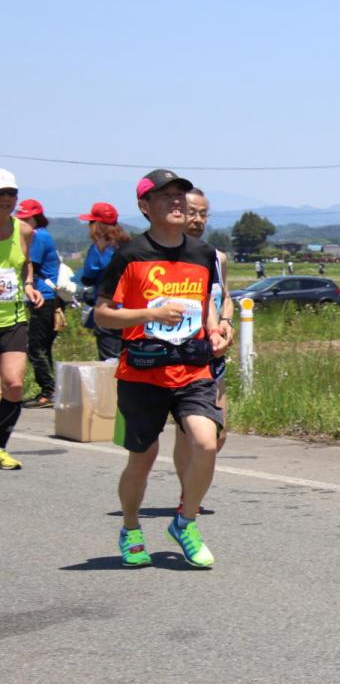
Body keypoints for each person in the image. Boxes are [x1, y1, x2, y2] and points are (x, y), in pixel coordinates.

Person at [94, 169, 230, 568]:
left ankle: (185, 522)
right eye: (165, 195)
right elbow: (102, 313)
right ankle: (131, 527)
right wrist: (150, 312)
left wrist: (218, 328)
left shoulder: (203, 255)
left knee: (206, 443)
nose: (177, 201)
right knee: (143, 458)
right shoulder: (131, 255)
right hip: (142, 372)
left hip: (192, 368)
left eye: (180, 195)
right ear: (144, 206)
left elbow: (209, 304)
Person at [171, 189, 233, 516]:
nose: (197, 220)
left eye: (203, 214)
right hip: (181, 356)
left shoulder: (217, 257)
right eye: (191, 212)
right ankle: (187, 499)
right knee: (190, 435)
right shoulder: (167, 259)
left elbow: (226, 298)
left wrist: (226, 323)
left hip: (214, 354)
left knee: (217, 432)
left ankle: (189, 493)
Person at [0, 169, 45, 470]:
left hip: (13, 318)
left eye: (11, 194)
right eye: (0, 194)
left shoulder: (24, 231)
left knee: (14, 384)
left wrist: (29, 285)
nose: (6, 199)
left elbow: (26, 264)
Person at [15, 199, 61, 408]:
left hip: (42, 297)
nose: (23, 221)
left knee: (36, 347)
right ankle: (52, 389)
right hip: (44, 297)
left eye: (26, 218)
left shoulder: (38, 236)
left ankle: (48, 390)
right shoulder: (38, 235)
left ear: (36, 218)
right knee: (42, 347)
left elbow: (27, 264)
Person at [77, 203, 128, 361]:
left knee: (110, 361)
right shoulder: (128, 245)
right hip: (131, 311)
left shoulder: (99, 248)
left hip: (108, 309)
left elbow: (88, 275)